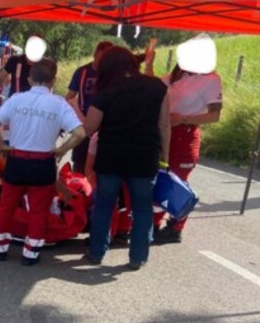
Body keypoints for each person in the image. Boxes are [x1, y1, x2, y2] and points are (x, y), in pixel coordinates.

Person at [0, 58, 86, 266]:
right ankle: (30, 253)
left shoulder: (16, 99)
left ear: (30, 79)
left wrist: (1, 147)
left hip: (16, 159)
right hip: (43, 163)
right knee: (38, 210)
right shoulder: (59, 104)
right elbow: (80, 133)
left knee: (7, 205)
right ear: (53, 80)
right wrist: (61, 150)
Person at [85, 46, 171, 270]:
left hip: (111, 157)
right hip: (145, 157)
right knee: (142, 208)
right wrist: (165, 156)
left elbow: (89, 127)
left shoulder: (106, 90)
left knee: (104, 205)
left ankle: (96, 252)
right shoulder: (157, 87)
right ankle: (138, 257)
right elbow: (164, 125)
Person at [153, 42, 223, 243]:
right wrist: (148, 63)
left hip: (185, 134)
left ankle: (175, 227)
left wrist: (183, 118)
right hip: (167, 132)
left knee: (176, 183)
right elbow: (155, 84)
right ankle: (154, 223)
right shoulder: (177, 76)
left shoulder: (211, 80)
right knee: (160, 178)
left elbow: (214, 115)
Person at [66, 41, 114, 173]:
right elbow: (70, 96)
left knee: (100, 167)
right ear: (96, 54)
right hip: (83, 127)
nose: (105, 60)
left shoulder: (112, 75)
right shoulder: (82, 72)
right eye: (103, 55)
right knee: (79, 164)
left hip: (104, 129)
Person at [0, 35, 47, 108]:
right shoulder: (15, 60)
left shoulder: (44, 65)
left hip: (36, 106)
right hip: (15, 105)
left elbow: (49, 86)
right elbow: (0, 78)